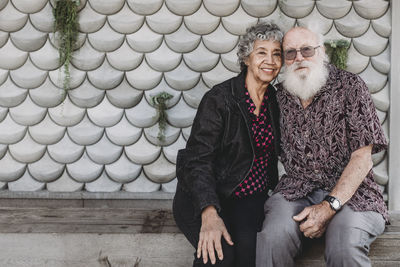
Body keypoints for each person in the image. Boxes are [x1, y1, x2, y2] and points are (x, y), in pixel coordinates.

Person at [256, 26, 388, 267]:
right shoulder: (279, 96)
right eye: (290, 53)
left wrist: (329, 205)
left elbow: (363, 158)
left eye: (307, 50)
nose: (299, 58)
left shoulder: (350, 87)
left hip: (353, 195)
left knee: (344, 246)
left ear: (321, 51)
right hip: (297, 189)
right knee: (273, 238)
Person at [173, 21, 283, 267]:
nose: (270, 60)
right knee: (219, 255)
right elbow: (197, 161)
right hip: (207, 196)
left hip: (249, 198)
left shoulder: (276, 101)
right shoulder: (219, 100)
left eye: (277, 54)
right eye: (261, 52)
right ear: (246, 58)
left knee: (250, 255)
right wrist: (209, 213)